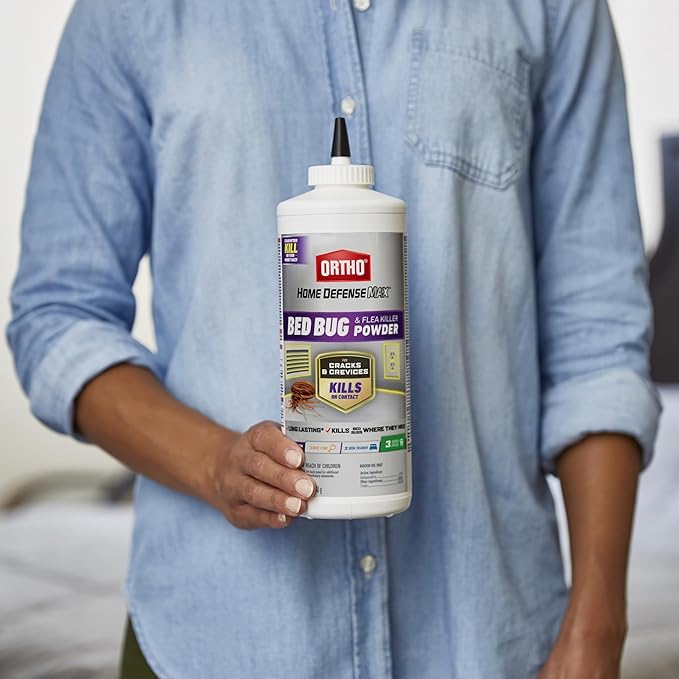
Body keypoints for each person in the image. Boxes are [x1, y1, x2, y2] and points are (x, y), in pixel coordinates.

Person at [8, 1, 660, 677]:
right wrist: (213, 462)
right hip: (218, 636)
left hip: (486, 636)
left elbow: (597, 333)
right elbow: (60, 314)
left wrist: (597, 626)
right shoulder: (128, 14)